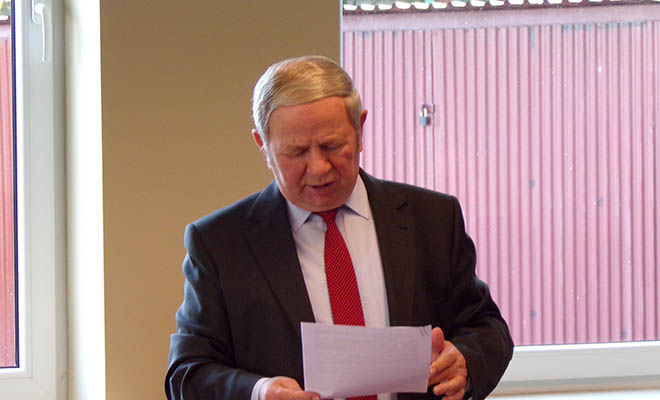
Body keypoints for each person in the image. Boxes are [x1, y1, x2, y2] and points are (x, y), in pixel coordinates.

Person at [165, 55, 513, 400]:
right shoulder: (220, 244)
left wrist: (465, 361)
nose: (318, 168)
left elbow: (486, 328)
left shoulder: (432, 219)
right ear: (263, 145)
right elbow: (188, 372)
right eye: (296, 152)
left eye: (333, 145)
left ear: (360, 128)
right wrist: (260, 392)